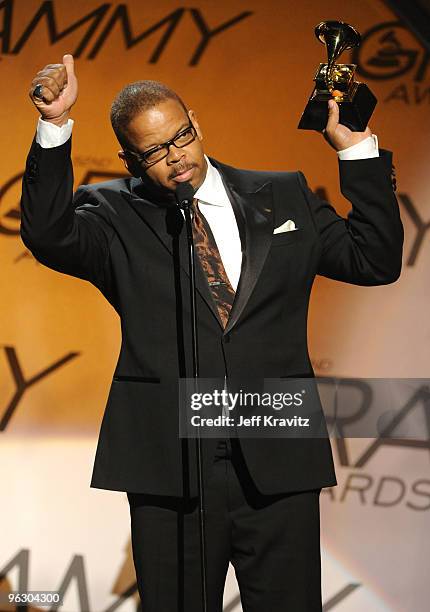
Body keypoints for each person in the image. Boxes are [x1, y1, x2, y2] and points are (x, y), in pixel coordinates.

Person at [21, 54, 403, 612]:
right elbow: (49, 234)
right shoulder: (112, 215)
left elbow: (375, 260)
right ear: (130, 158)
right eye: (153, 152)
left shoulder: (285, 194)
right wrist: (54, 127)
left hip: (276, 454)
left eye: (181, 138)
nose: (175, 160)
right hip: (171, 464)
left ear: (196, 122)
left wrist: (355, 149)